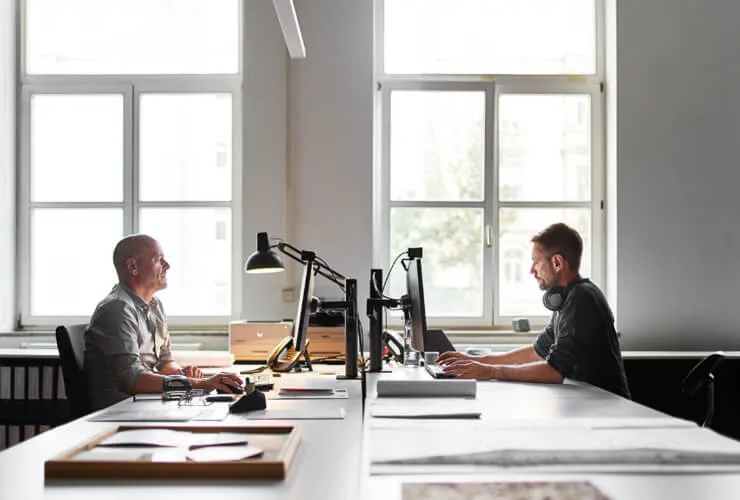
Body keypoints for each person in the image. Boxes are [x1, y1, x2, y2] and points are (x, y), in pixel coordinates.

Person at [438, 223, 631, 399]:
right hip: (589, 403)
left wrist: (491, 371)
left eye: (536, 261)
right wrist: (476, 361)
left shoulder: (581, 299)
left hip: (605, 409)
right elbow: (537, 353)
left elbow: (554, 371)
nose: (532, 270)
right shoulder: (567, 298)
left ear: (557, 262)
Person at [85, 234, 243, 410]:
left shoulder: (155, 305)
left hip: (146, 404)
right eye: (159, 260)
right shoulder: (116, 309)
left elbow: (164, 362)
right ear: (133, 266)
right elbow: (133, 380)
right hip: (120, 412)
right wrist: (201, 384)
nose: (167, 266)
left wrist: (181, 374)